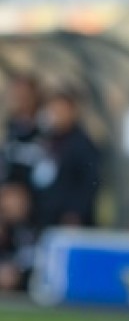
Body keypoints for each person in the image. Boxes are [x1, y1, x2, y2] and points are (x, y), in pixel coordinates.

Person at [31, 89, 101, 229]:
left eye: (62, 110)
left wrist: (76, 212)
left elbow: (90, 182)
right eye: (53, 110)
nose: (57, 115)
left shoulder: (82, 144)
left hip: (69, 221)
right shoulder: (45, 140)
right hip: (43, 217)